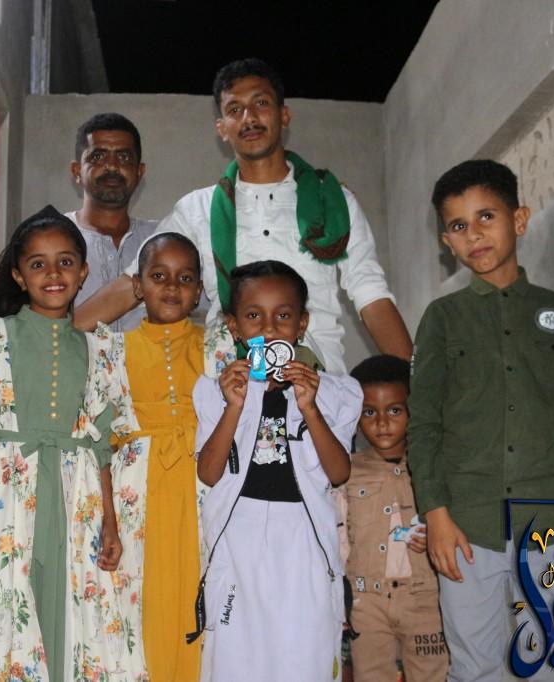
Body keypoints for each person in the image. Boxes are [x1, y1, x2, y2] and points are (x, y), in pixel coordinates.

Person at [75, 58, 410, 373]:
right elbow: (134, 284)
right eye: (235, 109)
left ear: (284, 115)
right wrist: (55, 336)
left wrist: (413, 384)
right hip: (229, 392)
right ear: (222, 128)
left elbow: (371, 295)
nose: (249, 118)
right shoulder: (196, 210)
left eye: (260, 103)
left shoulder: (332, 201)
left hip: (319, 387)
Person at [407, 160, 554, 680]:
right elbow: (423, 425)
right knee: (475, 665)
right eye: (458, 225)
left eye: (486, 216)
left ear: (518, 219)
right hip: (466, 526)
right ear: (446, 241)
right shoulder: (442, 319)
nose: (473, 234)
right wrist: (436, 514)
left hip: (553, 517)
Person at [0, 206, 145, 681]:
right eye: (38, 264)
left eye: (65, 262)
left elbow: (100, 446)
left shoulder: (101, 351)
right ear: (19, 275)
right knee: (4, 613)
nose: (53, 274)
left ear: (83, 271)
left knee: (70, 613)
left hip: (76, 499)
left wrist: (111, 523)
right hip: (6, 499)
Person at [192, 260, 361, 681]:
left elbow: (338, 472)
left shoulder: (336, 393)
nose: (269, 328)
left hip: (303, 542)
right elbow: (209, 473)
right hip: (240, 540)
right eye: (254, 316)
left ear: (302, 324)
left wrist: (309, 407)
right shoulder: (214, 391)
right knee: (236, 659)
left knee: (303, 656)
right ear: (234, 326)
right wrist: (234, 406)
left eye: (283, 315)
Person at [82, 232, 206, 681]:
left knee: (200, 595)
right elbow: (99, 443)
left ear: (199, 291)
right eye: (158, 276)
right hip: (137, 496)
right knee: (141, 602)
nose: (172, 287)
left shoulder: (218, 346)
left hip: (203, 489)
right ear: (138, 285)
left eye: (185, 278)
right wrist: (108, 518)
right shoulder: (110, 351)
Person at [345, 355, 448, 682]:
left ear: (413, 410)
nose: (382, 423)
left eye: (394, 411)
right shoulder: (347, 471)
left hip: (426, 599)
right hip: (367, 602)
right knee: (370, 675)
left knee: (433, 674)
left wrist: (437, 534)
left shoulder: (434, 471)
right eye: (369, 412)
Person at [68, 112, 157, 331]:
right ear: (76, 171)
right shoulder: (47, 239)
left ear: (139, 172)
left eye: (124, 157)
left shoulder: (161, 240)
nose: (112, 166)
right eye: (98, 156)